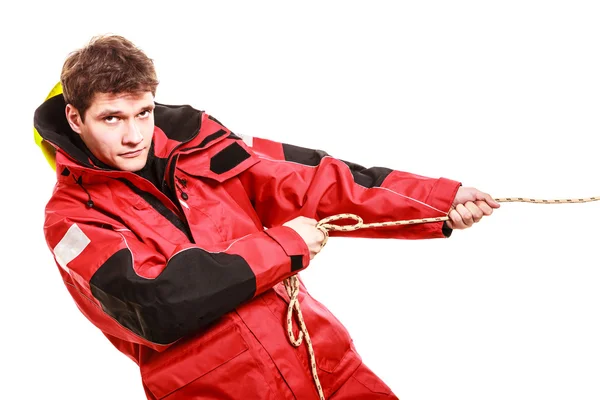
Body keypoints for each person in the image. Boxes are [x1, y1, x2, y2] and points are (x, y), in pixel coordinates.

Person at [34, 34, 500, 399]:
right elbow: (155, 307)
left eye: (144, 113)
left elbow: (314, 179)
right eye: (112, 118)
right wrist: (284, 246)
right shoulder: (70, 221)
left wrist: (439, 202)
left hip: (328, 369)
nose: (135, 134)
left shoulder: (204, 143)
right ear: (75, 118)